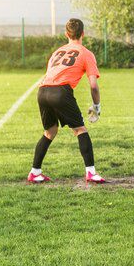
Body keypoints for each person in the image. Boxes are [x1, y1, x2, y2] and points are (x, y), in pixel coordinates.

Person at [28, 18, 105, 184]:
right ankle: (91, 172)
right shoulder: (86, 53)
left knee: (50, 131)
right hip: (60, 92)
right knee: (80, 130)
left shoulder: (57, 52)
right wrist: (97, 106)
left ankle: (35, 172)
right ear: (83, 33)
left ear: (66, 34)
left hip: (42, 91)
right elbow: (93, 86)